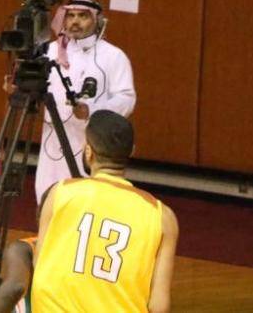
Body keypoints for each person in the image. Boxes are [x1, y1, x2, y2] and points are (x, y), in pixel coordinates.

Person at [31, 110, 179, 313]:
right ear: (131, 151)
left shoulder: (59, 193)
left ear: (88, 152)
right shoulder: (163, 217)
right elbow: (159, 306)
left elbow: (39, 264)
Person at [35, 0, 135, 202]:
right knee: (47, 198)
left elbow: (126, 98)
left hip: (91, 143)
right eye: (70, 16)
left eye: (82, 16)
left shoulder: (113, 56)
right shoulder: (50, 51)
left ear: (97, 21)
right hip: (52, 139)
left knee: (84, 202)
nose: (75, 21)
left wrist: (92, 110)